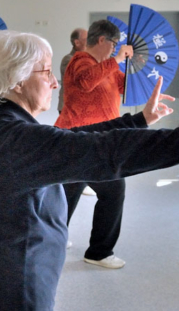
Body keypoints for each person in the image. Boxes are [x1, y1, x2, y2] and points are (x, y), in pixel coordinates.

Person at [0, 30, 179, 310]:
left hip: (0, 269)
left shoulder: (2, 123)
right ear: (17, 80)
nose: (55, 82)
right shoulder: (17, 140)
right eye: (46, 72)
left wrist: (139, 120)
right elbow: (107, 151)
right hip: (14, 282)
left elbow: (83, 138)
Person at [54, 20, 135, 268]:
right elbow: (86, 82)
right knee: (107, 192)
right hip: (79, 139)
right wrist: (117, 60)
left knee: (71, 192)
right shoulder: (79, 60)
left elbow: (125, 88)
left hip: (99, 140)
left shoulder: (108, 66)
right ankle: (98, 252)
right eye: (113, 45)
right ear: (102, 41)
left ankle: (61, 238)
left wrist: (133, 67)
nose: (114, 49)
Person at [58, 27, 96, 201]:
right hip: (68, 108)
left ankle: (79, 180)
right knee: (72, 145)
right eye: (86, 39)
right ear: (77, 42)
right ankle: (69, 181)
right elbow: (81, 80)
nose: (89, 41)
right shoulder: (69, 59)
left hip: (83, 110)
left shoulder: (89, 59)